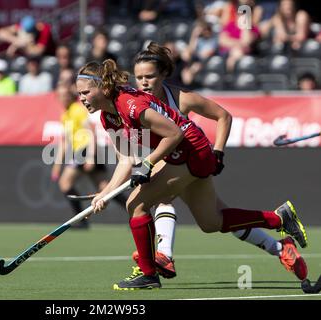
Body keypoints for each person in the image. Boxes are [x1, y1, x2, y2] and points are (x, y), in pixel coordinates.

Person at [75, 59, 308, 290]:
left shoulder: (129, 104)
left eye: (86, 92)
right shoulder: (109, 117)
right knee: (211, 221)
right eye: (79, 93)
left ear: (104, 88)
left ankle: (148, 274)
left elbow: (174, 134)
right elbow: (125, 159)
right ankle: (279, 218)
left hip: (191, 150)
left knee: (136, 204)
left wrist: (148, 163)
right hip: (180, 153)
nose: (82, 98)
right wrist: (104, 194)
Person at [130, 41, 308, 281]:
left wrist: (219, 151)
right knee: (213, 221)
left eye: (149, 76)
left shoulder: (183, 99)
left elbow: (223, 116)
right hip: (171, 160)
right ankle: (279, 238)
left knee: (159, 197)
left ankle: (163, 255)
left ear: (163, 74)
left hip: (192, 158)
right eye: (139, 77)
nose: (143, 82)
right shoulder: (136, 103)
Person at [51, 83, 127, 229]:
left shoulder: (77, 110)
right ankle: (135, 212)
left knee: (65, 183)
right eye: (60, 96)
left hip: (85, 150)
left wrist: (91, 156)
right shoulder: (65, 115)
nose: (63, 98)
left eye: (65, 95)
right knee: (107, 188)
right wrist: (56, 166)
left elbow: (91, 132)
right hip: (81, 151)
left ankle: (81, 221)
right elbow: (64, 141)